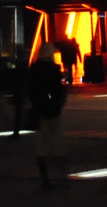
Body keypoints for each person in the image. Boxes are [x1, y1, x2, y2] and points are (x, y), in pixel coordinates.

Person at [27, 43, 69, 189]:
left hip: (40, 111)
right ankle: (62, 174)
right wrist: (58, 104)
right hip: (54, 111)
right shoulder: (55, 69)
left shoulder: (34, 69)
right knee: (57, 141)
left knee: (41, 145)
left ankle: (45, 178)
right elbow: (61, 90)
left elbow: (31, 90)